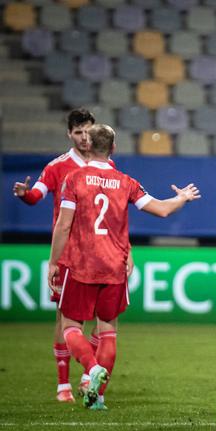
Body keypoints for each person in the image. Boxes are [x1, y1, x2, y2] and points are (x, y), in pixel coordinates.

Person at [47, 124, 200, 410]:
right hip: (114, 267)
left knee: (70, 326)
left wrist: (54, 261)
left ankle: (91, 369)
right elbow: (163, 209)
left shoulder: (74, 179)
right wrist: (182, 197)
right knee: (108, 330)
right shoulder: (125, 181)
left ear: (88, 145)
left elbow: (64, 224)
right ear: (113, 149)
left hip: (82, 264)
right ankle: (98, 397)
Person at [11, 108, 128, 402]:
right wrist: (25, 194)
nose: (84, 138)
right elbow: (36, 194)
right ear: (69, 134)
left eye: (88, 132)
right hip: (70, 255)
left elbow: (119, 217)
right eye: (78, 133)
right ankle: (64, 384)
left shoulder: (107, 168)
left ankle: (89, 373)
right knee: (65, 318)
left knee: (101, 322)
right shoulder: (57, 167)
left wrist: (129, 252)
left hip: (104, 254)